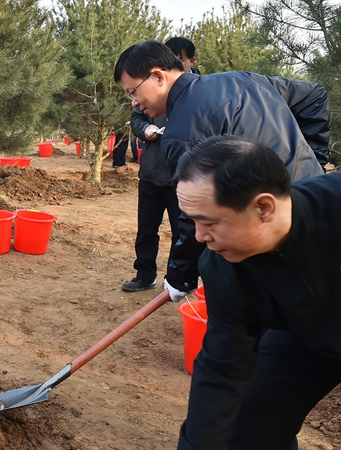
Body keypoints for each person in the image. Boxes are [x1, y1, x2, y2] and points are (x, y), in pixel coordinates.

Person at [113, 40, 330, 301]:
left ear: (158, 76)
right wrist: (310, 160)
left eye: (133, 92)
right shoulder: (241, 79)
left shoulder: (183, 131)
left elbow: (194, 215)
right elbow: (314, 96)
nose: (134, 103)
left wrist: (180, 275)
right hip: (313, 210)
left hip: (260, 236)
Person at [172, 135, 341, 450]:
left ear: (264, 208)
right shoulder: (223, 266)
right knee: (252, 425)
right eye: (192, 220)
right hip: (303, 335)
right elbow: (222, 370)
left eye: (208, 222)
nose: (198, 236)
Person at [121, 107, 179, 291]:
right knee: (146, 228)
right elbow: (137, 118)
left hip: (181, 176)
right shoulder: (150, 91)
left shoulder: (193, 91)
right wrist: (144, 129)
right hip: (150, 173)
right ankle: (145, 275)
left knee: (182, 232)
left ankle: (175, 280)